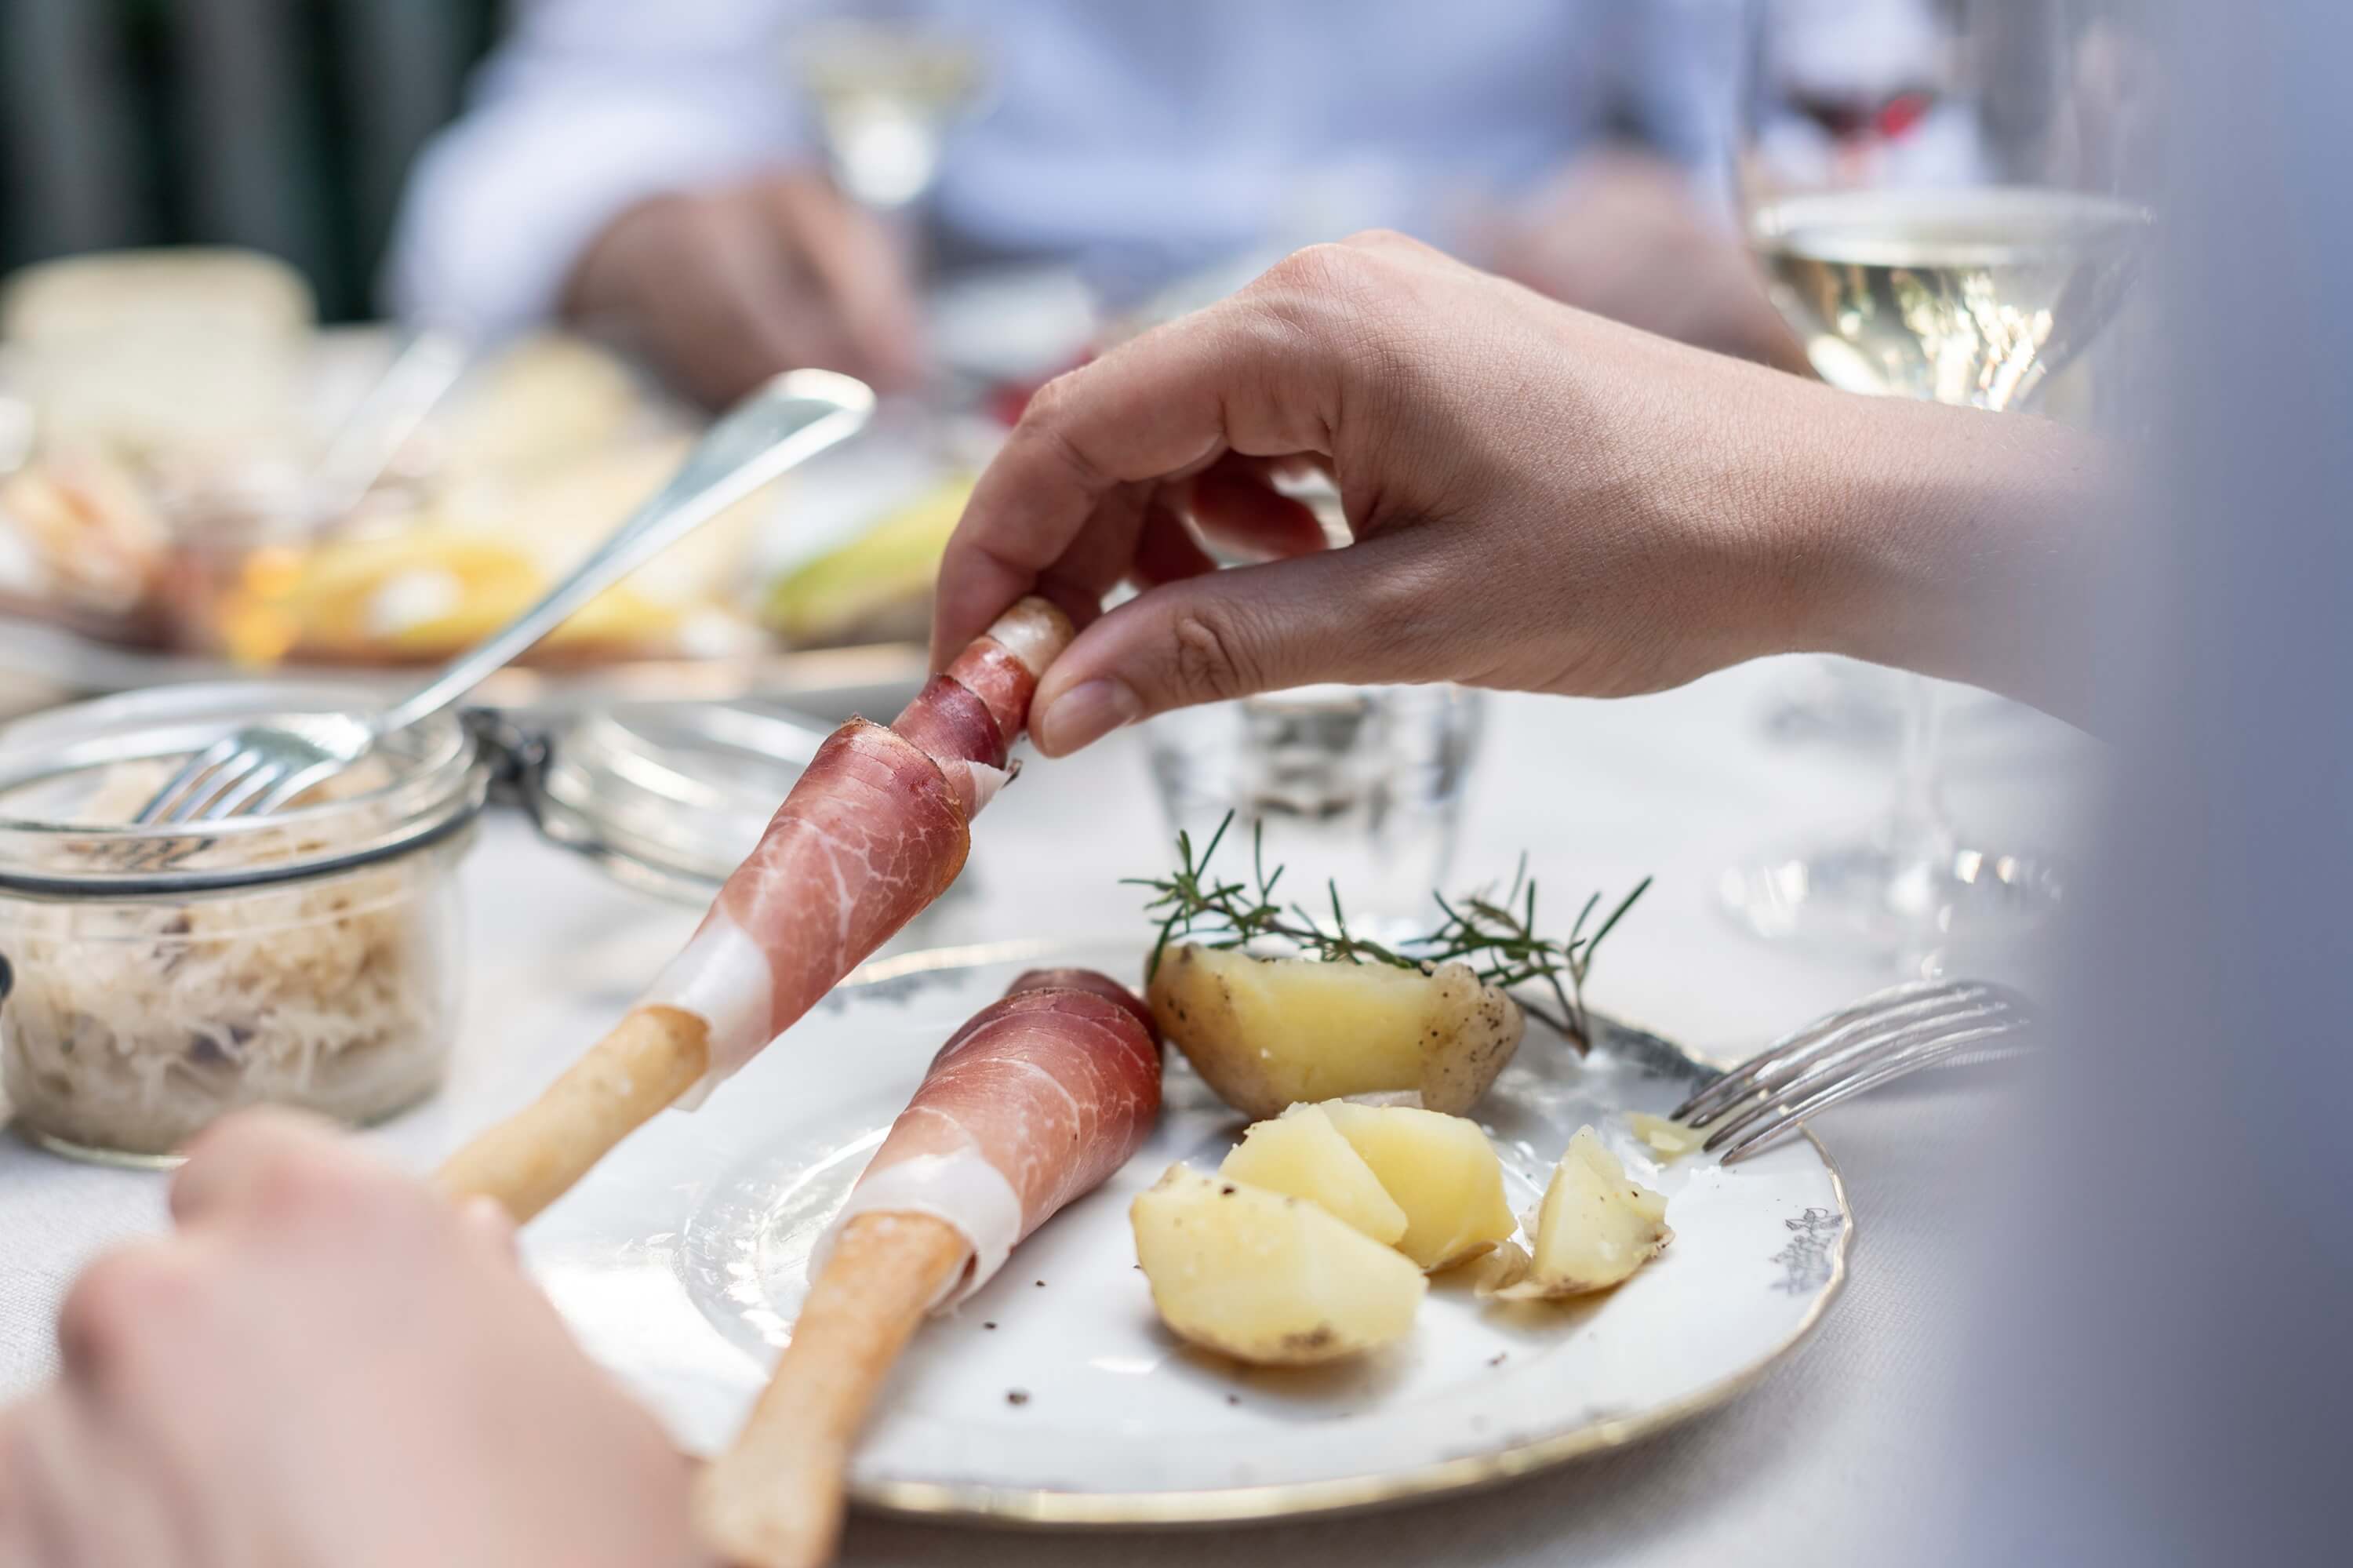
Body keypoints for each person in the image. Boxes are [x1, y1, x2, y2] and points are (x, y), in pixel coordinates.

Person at [384, 0, 1828, 404]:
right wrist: (644, 228)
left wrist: (1730, 244)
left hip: (1552, 443)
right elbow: (537, 155)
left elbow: (1876, 116)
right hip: (966, 455)